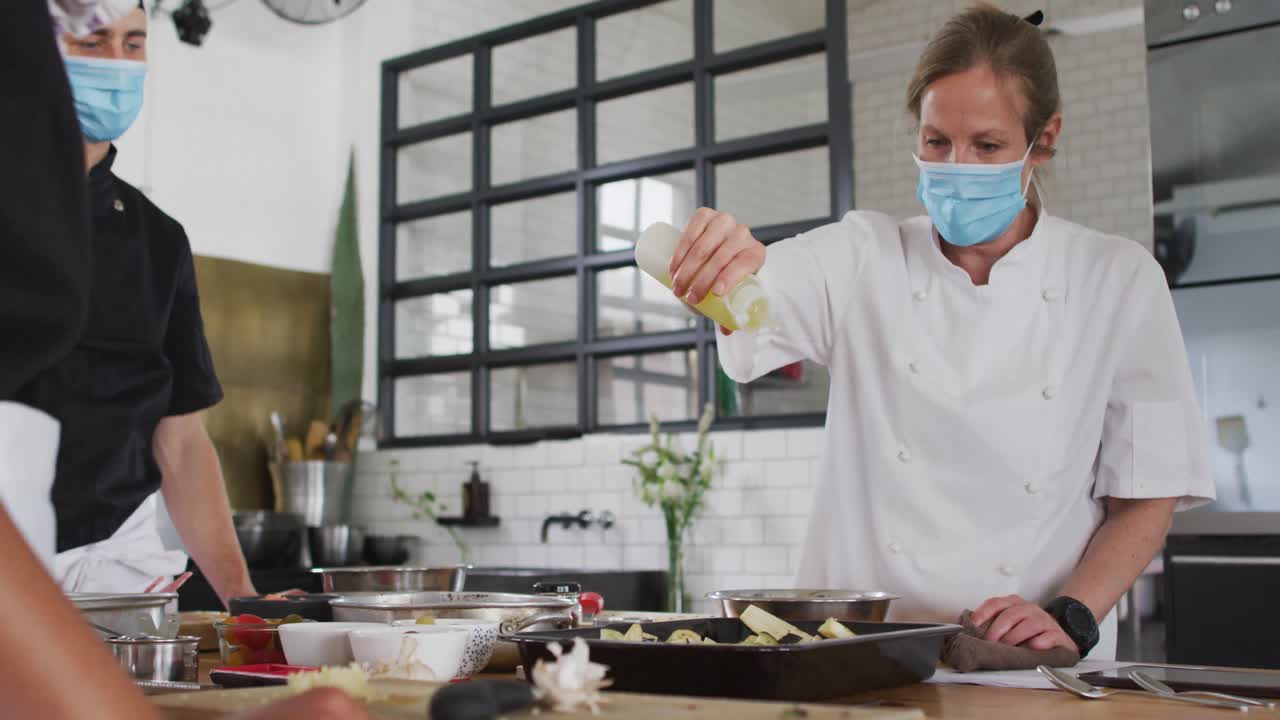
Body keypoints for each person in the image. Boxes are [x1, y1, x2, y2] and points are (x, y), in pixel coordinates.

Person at [669, 4, 1213, 660]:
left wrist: (1071, 615)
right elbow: (763, 288)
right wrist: (724, 262)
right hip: (861, 661)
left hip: (1028, 664)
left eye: (987, 146)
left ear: (1043, 139)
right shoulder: (863, 256)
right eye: (936, 142)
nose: (958, 166)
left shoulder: (1117, 278)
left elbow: (1148, 493)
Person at [17, 3, 258, 604]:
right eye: (92, 42)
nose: (116, 65)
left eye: (132, 44)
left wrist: (241, 598)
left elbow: (181, 440)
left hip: (114, 570)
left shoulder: (158, 240)